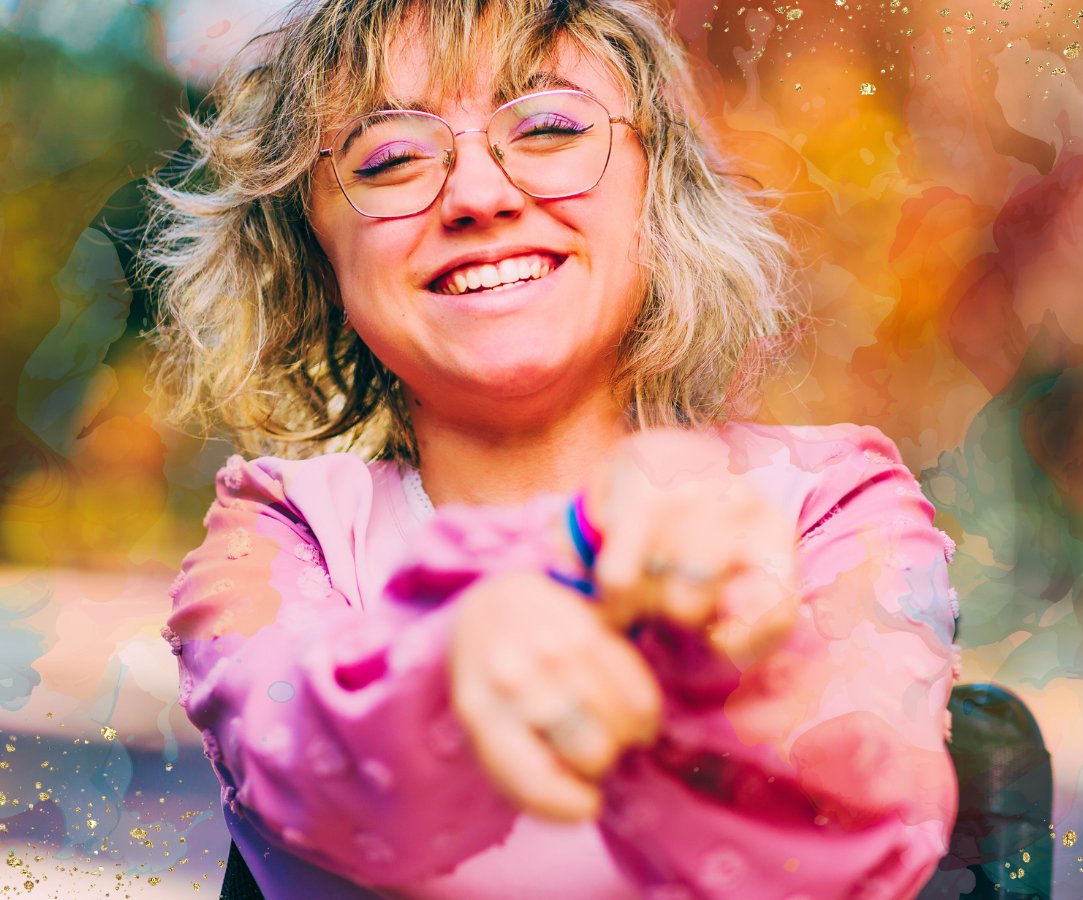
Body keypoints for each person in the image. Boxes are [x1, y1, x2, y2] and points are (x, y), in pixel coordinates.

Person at [147, 0, 960, 897]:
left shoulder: (835, 503)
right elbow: (303, 757)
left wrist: (714, 673)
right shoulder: (276, 531)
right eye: (390, 158)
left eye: (548, 127)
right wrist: (481, 640)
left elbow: (862, 827)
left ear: (660, 185)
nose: (479, 196)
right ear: (313, 251)